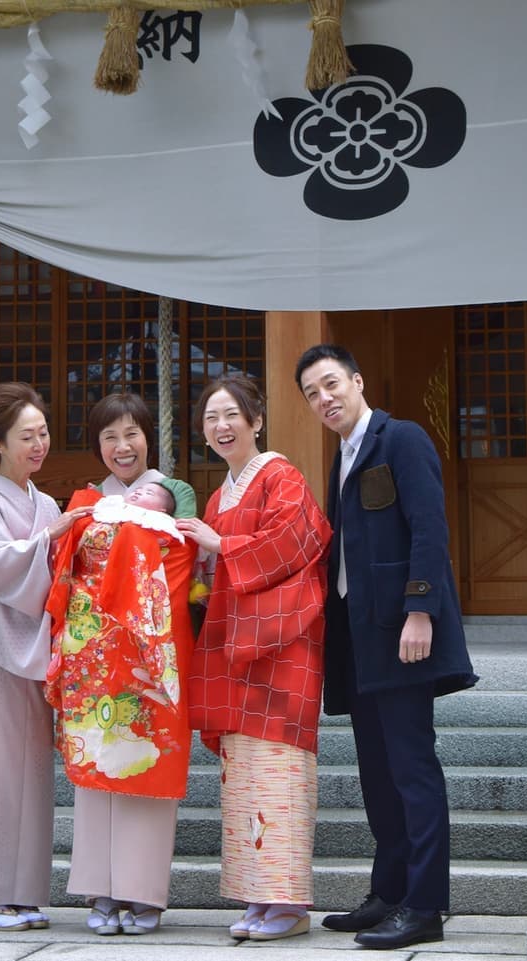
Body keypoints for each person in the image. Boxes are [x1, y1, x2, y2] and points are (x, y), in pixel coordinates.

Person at [295, 344, 478, 951]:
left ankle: (425, 906)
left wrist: (421, 609)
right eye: (312, 394)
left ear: (358, 380)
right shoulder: (343, 457)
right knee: (377, 773)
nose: (325, 399)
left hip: (403, 634)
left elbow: (428, 526)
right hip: (360, 636)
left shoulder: (400, 440)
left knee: (411, 768)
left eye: (331, 384)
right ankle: (390, 892)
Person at [175, 374, 331, 942]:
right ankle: (256, 896)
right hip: (235, 647)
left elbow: (293, 545)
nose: (221, 427)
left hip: (282, 643)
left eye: (231, 415)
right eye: (211, 418)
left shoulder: (281, 476)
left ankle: (286, 902)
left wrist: (220, 547)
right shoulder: (220, 495)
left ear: (256, 420)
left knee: (279, 771)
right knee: (242, 775)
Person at [0, 383, 94, 932]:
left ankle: (24, 892)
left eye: (43, 433)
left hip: (37, 651)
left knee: (33, 771)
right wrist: (47, 541)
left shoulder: (44, 502)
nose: (39, 445)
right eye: (26, 436)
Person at [45, 476, 197, 937]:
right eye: (110, 436)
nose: (122, 445)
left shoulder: (172, 536)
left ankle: (144, 892)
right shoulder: (93, 509)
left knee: (144, 772)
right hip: (94, 657)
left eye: (131, 434)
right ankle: (100, 890)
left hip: (149, 670)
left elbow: (166, 595)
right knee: (97, 769)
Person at [87, 391, 196, 520]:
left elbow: (183, 538)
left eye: (131, 434)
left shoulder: (178, 492)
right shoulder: (90, 497)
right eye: (110, 437)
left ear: (148, 438)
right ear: (98, 446)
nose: (123, 448)